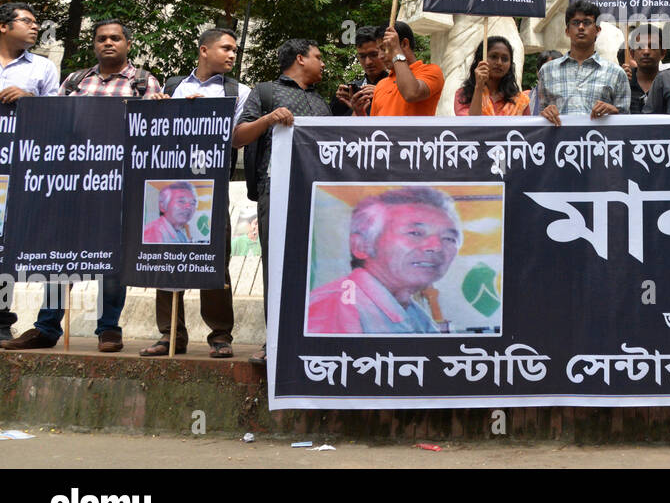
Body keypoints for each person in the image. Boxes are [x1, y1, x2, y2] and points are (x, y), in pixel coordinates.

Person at [4, 18, 163, 353]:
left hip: (119, 185)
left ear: (127, 44)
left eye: (115, 38)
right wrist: (31, 100)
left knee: (111, 257)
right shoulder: (76, 80)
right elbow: (54, 121)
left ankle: (108, 329)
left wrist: (163, 106)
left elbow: (154, 132)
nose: (108, 43)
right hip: (73, 182)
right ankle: (46, 328)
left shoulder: (143, 82)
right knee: (61, 253)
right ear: (94, 44)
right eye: (102, 38)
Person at [142, 27, 248, 358]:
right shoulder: (173, 86)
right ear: (204, 50)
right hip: (171, 183)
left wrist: (206, 116)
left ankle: (220, 335)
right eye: (226, 48)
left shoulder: (239, 91)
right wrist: (159, 108)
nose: (233, 55)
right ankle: (170, 334)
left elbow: (237, 139)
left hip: (211, 188)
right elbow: (153, 134)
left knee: (216, 258)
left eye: (235, 50)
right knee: (166, 253)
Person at [233, 38, 331, 365]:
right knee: (277, 266)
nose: (324, 64)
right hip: (274, 191)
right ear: (300, 59)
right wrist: (269, 120)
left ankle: (310, 340)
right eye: (319, 57)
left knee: (314, 268)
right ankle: (273, 342)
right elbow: (238, 137)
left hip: (316, 196)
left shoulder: (322, 103)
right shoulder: (264, 93)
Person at [308, 187, 462, 334]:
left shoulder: (415, 314)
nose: (436, 247)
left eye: (448, 238)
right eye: (415, 233)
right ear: (362, 245)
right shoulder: (334, 308)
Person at [0, 2, 59, 340]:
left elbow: (56, 115)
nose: (36, 27)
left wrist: (29, 99)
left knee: (5, 247)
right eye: (28, 21)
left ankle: (1, 320)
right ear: (4, 26)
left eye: (37, 22)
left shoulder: (42, 68)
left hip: (19, 170)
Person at [534, 0, 630, 125]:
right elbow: (538, 118)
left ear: (597, 30)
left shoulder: (616, 73)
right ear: (567, 31)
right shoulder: (547, 71)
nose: (581, 27)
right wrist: (545, 113)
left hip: (600, 142)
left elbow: (627, 123)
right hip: (559, 143)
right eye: (575, 23)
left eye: (587, 22)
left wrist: (613, 111)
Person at [369, 21, 444, 117]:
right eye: (378, 50)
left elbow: (411, 93)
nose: (380, 56)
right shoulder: (381, 85)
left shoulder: (431, 71)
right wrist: (359, 113)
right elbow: (375, 127)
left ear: (404, 44)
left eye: (384, 49)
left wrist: (395, 49)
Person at [454, 35, 530, 116]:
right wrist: (479, 88)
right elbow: (472, 124)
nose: (499, 63)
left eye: (505, 59)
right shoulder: (464, 95)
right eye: (493, 57)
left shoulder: (520, 101)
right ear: (480, 60)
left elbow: (527, 127)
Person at [332, 25, 388, 117]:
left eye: (374, 54)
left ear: (384, 51)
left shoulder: (399, 87)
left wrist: (382, 95)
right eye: (362, 56)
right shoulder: (354, 90)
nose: (368, 62)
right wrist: (340, 102)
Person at [623, 25, 668, 115]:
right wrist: (619, 82)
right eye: (640, 47)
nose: (646, 51)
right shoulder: (623, 82)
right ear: (632, 53)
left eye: (653, 46)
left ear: (662, 53)